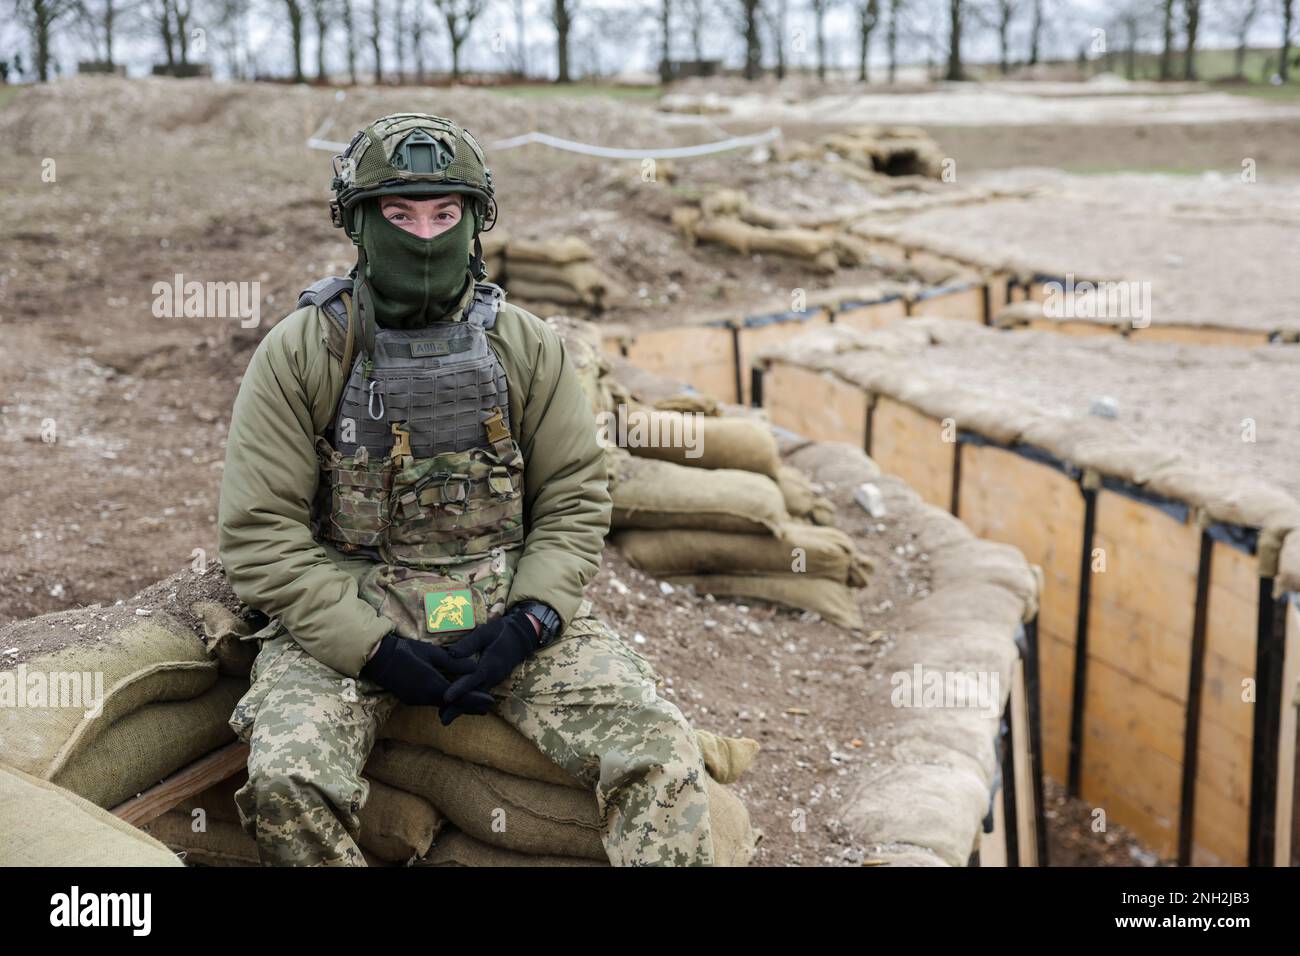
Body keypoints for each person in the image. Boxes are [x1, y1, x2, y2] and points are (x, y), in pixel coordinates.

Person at [217, 112, 714, 866]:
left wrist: (532, 620)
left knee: (664, 755)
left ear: (476, 221)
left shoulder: (523, 343)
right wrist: (374, 651)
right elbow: (261, 535)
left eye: (445, 213)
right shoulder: (305, 352)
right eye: (400, 213)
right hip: (355, 604)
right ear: (357, 223)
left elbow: (575, 498)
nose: (425, 235)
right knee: (288, 778)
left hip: (501, 592)